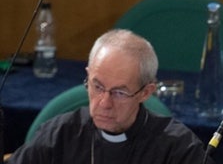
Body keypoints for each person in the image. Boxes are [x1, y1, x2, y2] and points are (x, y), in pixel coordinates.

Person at [8, 29, 212, 164]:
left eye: (119, 93)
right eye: (97, 87)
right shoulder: (58, 135)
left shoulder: (179, 148)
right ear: (88, 75)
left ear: (146, 92)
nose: (104, 103)